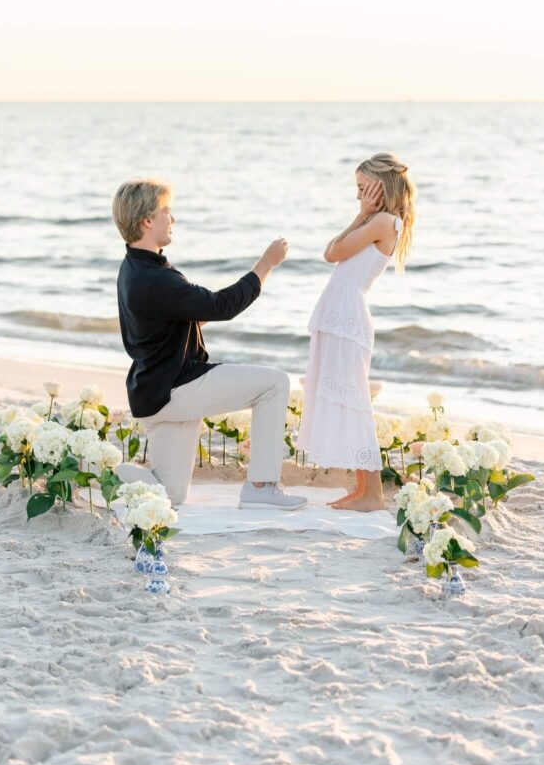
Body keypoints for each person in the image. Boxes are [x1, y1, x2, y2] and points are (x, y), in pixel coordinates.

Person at [113, 178, 307, 511]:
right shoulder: (156, 278)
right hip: (175, 389)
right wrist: (267, 263)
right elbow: (222, 306)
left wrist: (190, 318)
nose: (172, 219)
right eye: (166, 211)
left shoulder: (136, 268)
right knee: (275, 384)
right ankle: (261, 486)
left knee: (170, 496)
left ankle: (97, 469)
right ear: (147, 220)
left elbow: (163, 320)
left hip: (154, 394)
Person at [297, 153, 416, 512]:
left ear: (382, 188)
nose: (359, 197)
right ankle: (363, 489)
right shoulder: (375, 220)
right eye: (358, 190)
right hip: (340, 313)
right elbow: (330, 252)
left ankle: (373, 494)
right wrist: (361, 214)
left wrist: (362, 214)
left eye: (364, 189)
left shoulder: (383, 221)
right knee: (349, 397)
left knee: (355, 399)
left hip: (348, 316)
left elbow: (336, 253)